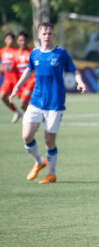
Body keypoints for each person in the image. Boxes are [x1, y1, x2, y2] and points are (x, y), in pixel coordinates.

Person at [9, 22, 87, 184]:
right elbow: (29, 71)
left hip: (55, 104)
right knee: (26, 136)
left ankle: (51, 174)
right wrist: (17, 86)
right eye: (44, 34)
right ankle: (39, 162)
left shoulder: (61, 54)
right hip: (36, 101)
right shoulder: (35, 54)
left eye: (49, 33)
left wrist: (80, 82)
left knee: (49, 141)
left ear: (53, 35)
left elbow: (74, 70)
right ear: (39, 36)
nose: (47, 36)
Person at [0, 32, 21, 123]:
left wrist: (9, 68)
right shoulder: (1, 51)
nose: (10, 41)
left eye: (12, 39)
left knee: (23, 100)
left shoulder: (16, 52)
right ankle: (16, 112)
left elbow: (15, 66)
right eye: (8, 39)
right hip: (7, 80)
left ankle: (35, 114)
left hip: (16, 79)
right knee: (2, 97)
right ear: (5, 40)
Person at [12, 31, 33, 111]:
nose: (23, 42)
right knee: (27, 105)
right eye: (21, 40)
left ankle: (33, 120)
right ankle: (35, 119)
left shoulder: (32, 52)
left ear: (28, 41)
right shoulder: (16, 54)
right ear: (17, 42)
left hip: (31, 81)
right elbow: (14, 69)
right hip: (22, 83)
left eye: (25, 40)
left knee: (22, 103)